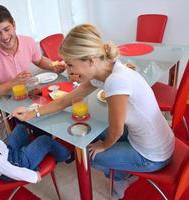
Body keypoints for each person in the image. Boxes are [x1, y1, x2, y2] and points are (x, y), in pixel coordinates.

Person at [12, 24, 174, 198]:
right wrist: (32, 113)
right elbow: (65, 100)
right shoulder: (107, 69)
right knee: (94, 133)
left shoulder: (116, 81)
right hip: (158, 140)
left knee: (88, 158)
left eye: (71, 65)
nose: (69, 71)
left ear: (90, 60)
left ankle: (120, 180)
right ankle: (122, 170)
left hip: (153, 155)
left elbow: (117, 130)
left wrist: (103, 146)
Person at [0, 93, 70, 183]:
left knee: (20, 128)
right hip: (14, 164)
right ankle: (66, 155)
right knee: (44, 141)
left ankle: (34, 152)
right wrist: (32, 176)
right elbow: (8, 169)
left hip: (8, 154)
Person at [0, 5, 66, 98]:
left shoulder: (28, 41)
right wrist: (11, 84)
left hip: (28, 94)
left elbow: (39, 61)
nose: (4, 37)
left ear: (14, 25)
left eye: (6, 29)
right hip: (5, 103)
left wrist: (54, 65)